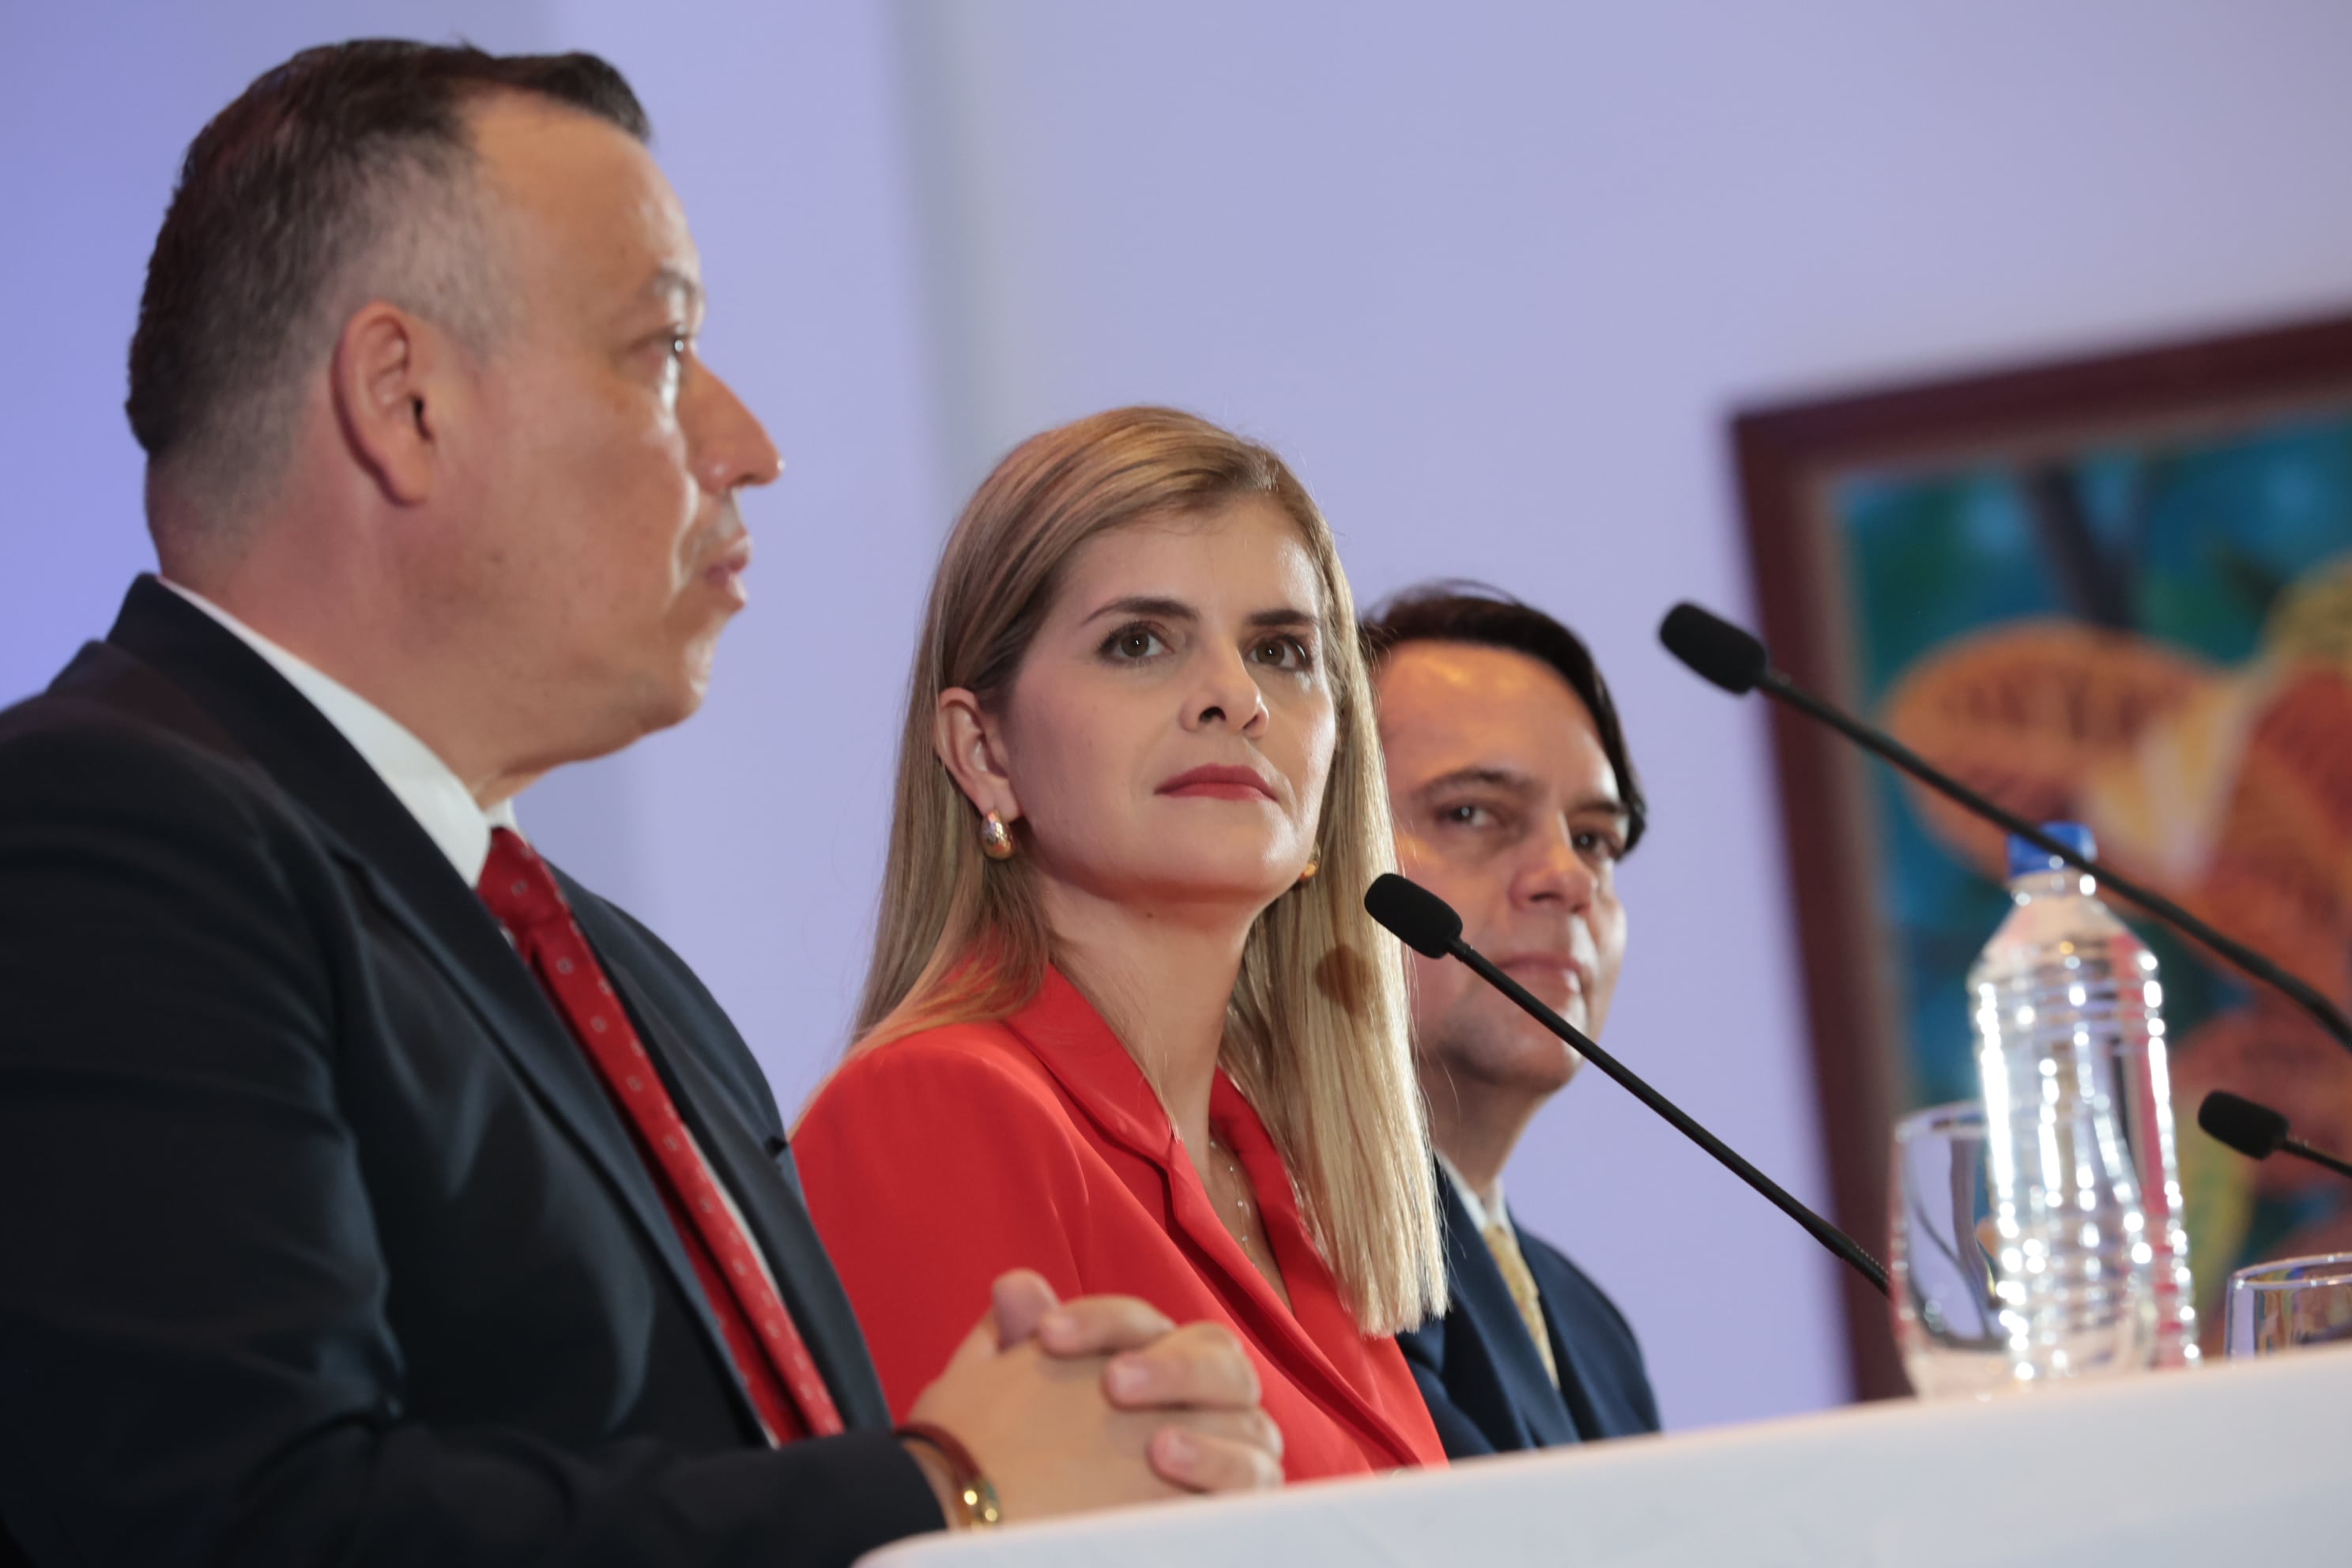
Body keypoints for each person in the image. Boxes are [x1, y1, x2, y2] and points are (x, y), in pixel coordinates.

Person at [0, 42, 1281, 1566]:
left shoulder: (626, 980)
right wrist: (945, 1487)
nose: (749, 445)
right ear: (402, 400)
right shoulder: (96, 832)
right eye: (664, 351)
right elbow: (241, 1525)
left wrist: (1067, 1483)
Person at [790, 406, 1449, 1482]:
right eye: (1139, 642)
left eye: (1283, 651)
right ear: (984, 750)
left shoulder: (1282, 1171)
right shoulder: (935, 1110)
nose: (1235, 698)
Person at [1361, 585, 1663, 1457]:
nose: (1566, 878)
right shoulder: (1293, 1249)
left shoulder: (1595, 1330)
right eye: (1472, 813)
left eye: (1596, 838)